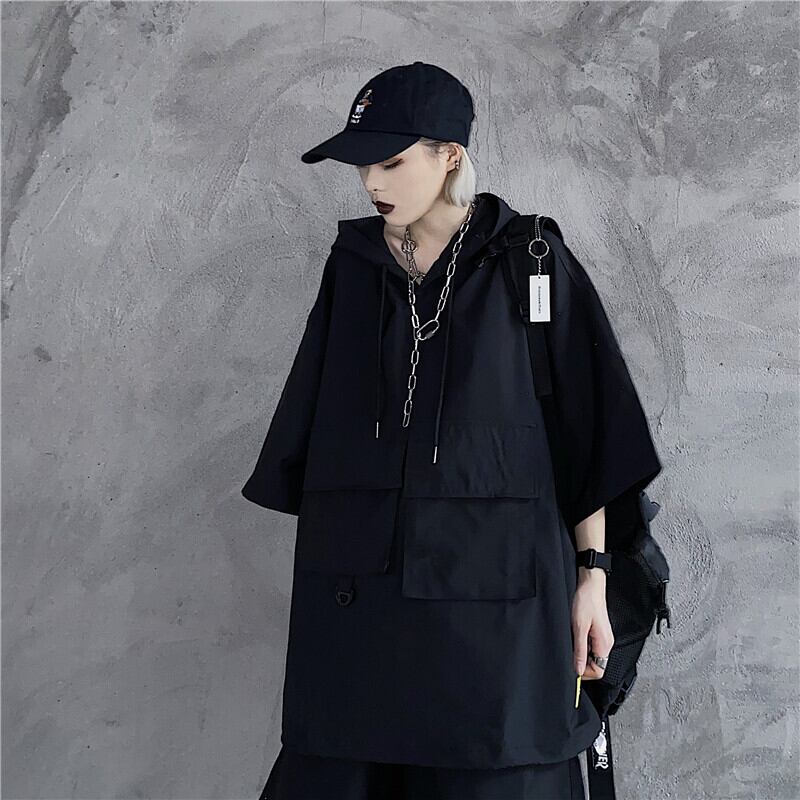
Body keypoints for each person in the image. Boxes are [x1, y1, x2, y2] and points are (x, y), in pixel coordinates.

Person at [242, 61, 662, 800]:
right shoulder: (354, 267)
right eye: (363, 164)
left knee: (496, 773)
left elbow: (587, 437)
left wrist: (592, 579)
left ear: (450, 157)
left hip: (497, 616)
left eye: (391, 162)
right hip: (361, 611)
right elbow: (319, 438)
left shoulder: (531, 260)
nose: (372, 182)